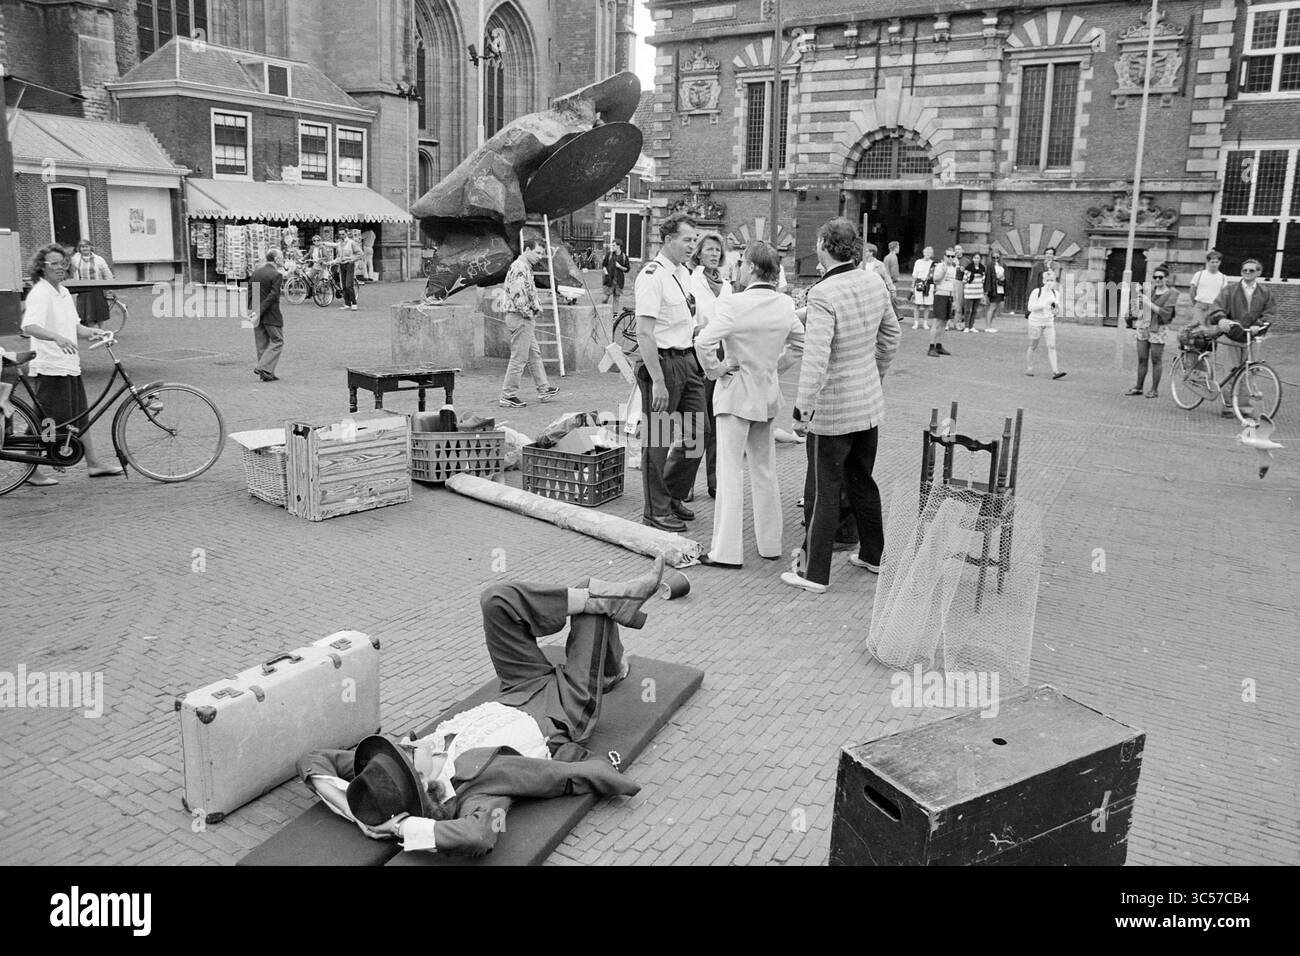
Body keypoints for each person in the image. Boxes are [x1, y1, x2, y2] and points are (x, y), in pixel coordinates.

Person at [298, 558, 665, 856]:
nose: (409, 742)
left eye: (401, 748)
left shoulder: (417, 754)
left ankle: (611, 630)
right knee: (591, 607)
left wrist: (355, 810)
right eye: (408, 755)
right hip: (564, 707)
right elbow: (476, 837)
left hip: (517, 686)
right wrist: (399, 827)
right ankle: (609, 660)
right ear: (423, 783)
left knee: (497, 599)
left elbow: (314, 760)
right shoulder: (474, 789)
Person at [783, 218, 900, 594]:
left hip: (833, 409)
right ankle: (874, 555)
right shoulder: (873, 281)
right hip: (867, 403)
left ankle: (812, 572)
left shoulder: (823, 293)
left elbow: (816, 358)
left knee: (824, 489)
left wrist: (803, 411)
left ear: (822, 245)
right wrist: (875, 374)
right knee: (862, 481)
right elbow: (891, 337)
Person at [694, 241, 804, 568]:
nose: (738, 267)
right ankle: (770, 544)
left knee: (730, 472)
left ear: (753, 268)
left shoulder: (733, 303)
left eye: (742, 263)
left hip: (735, 392)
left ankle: (726, 552)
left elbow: (703, 341)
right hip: (766, 394)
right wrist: (773, 368)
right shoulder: (785, 304)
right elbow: (799, 344)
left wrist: (715, 370)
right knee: (765, 470)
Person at [19, 244, 122, 486]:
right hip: (50, 366)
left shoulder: (63, 292)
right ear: (41, 268)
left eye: (63, 263)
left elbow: (75, 326)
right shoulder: (40, 293)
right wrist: (55, 337)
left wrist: (94, 332)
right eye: (53, 263)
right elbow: (29, 326)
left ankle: (94, 464)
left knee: (81, 416)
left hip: (69, 364)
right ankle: (31, 470)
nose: (60, 268)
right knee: (49, 420)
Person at [634, 213, 703, 533]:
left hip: (688, 361)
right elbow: (645, 333)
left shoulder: (683, 274)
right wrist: (658, 381)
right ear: (668, 240)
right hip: (662, 364)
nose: (693, 245)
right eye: (687, 239)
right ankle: (656, 510)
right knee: (658, 439)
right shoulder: (653, 275)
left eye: (694, 240)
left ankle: (673, 494)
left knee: (697, 434)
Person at [675, 231, 731, 501]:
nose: (714, 254)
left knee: (717, 422)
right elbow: (688, 319)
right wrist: (704, 330)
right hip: (698, 355)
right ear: (698, 253)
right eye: (709, 249)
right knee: (696, 423)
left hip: (723, 357)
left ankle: (714, 480)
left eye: (717, 250)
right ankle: (685, 483)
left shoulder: (727, 284)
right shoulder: (691, 281)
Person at [1206, 258, 1276, 417]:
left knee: (1249, 372)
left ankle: (1244, 408)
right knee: (1230, 371)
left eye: (1251, 270)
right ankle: (1228, 405)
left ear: (1258, 272)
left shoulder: (1265, 292)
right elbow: (1217, 306)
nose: (1247, 273)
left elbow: (1270, 312)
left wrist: (1259, 324)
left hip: (1252, 337)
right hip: (1233, 336)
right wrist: (1222, 319)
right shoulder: (1230, 290)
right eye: (1244, 270)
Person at [498, 238, 560, 408]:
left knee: (534, 354)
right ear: (527, 249)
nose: (540, 256)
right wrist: (529, 313)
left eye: (542, 253)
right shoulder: (520, 267)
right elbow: (519, 295)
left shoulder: (524, 267)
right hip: (520, 317)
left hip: (522, 317)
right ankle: (508, 395)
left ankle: (543, 388)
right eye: (538, 252)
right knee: (519, 358)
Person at [1126, 265, 1175, 398]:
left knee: (1156, 359)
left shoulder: (1171, 293)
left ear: (1166, 278)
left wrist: (1147, 302)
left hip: (1158, 328)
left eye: (1161, 277)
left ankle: (1154, 389)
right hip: (1143, 325)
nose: (1157, 279)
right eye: (1155, 277)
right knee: (1142, 358)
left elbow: (1166, 313)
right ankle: (1138, 387)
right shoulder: (1150, 291)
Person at [250, 250, 285, 383]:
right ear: (276, 258)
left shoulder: (257, 272)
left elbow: (251, 290)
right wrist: (260, 310)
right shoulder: (276, 274)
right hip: (270, 314)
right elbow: (273, 296)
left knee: (261, 343)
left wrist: (252, 310)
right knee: (277, 340)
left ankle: (266, 373)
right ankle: (263, 367)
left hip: (257, 313)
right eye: (281, 257)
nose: (283, 260)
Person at [1026, 271, 1067, 379]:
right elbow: (1030, 308)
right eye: (1047, 280)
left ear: (1055, 282)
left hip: (1048, 322)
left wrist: (1056, 309)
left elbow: (1055, 310)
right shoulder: (1037, 292)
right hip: (1035, 322)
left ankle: (1055, 371)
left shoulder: (1055, 294)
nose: (1050, 283)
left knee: (1052, 346)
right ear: (1043, 281)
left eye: (1052, 281)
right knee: (1033, 345)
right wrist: (1043, 305)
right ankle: (1029, 367)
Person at [68, 239, 114, 327]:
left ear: (90, 248)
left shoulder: (99, 259)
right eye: (82, 247)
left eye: (86, 246)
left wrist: (110, 286)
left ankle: (101, 330)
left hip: (97, 288)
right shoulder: (75, 259)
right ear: (79, 249)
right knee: (87, 313)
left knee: (99, 312)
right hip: (83, 289)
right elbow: (71, 271)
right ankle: (91, 331)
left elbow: (106, 272)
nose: (85, 249)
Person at [927, 248, 957, 357]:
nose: (950, 258)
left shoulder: (953, 268)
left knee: (944, 322)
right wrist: (943, 272)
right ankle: (931, 346)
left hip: (949, 295)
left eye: (952, 256)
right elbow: (936, 280)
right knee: (937, 322)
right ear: (944, 256)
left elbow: (954, 283)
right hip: (940, 295)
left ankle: (939, 345)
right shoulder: (940, 266)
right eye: (948, 256)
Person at [1189, 249, 1228, 327]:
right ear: (1208, 262)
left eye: (1216, 262)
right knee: (1196, 330)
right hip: (1200, 306)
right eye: (1212, 262)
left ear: (1220, 262)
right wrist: (1196, 303)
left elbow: (1223, 296)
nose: (1214, 264)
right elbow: (1192, 290)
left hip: (1214, 308)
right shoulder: (1199, 274)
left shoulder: (1223, 277)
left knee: (1211, 332)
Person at [910, 245, 936, 331]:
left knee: (927, 305)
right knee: (917, 304)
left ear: (931, 254)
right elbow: (914, 274)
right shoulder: (918, 262)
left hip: (929, 285)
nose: (928, 254)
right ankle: (916, 322)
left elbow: (934, 276)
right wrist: (912, 286)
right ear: (923, 253)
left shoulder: (933, 264)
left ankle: (925, 322)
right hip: (919, 284)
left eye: (930, 253)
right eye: (926, 252)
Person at [601, 238, 630, 312]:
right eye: (612, 245)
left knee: (616, 299)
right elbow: (604, 265)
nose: (612, 247)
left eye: (614, 245)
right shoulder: (609, 254)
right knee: (605, 298)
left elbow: (627, 269)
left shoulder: (624, 257)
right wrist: (606, 272)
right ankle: (602, 311)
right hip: (609, 280)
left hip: (619, 282)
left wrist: (619, 266)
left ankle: (615, 316)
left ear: (618, 246)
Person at [982, 250, 1006, 332]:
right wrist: (986, 291)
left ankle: (990, 325)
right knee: (992, 307)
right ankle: (988, 327)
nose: (996, 259)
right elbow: (988, 278)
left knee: (996, 308)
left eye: (997, 257)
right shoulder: (990, 265)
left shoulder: (1002, 265)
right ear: (991, 257)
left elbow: (1005, 277)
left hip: (1001, 288)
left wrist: (1003, 279)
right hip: (993, 289)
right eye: (994, 257)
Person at [961, 253, 986, 331]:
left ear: (980, 259)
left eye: (978, 258)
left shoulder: (983, 268)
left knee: (974, 310)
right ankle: (966, 326)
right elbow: (964, 280)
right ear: (972, 259)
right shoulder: (968, 268)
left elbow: (983, 280)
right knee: (968, 310)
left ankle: (971, 326)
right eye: (975, 258)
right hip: (969, 291)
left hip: (978, 291)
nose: (976, 259)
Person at [336, 229, 360, 311]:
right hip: (342, 265)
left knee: (348, 285)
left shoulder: (351, 242)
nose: (341, 236)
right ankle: (347, 303)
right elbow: (338, 255)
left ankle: (354, 303)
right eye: (340, 234)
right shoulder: (339, 244)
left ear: (346, 234)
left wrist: (351, 259)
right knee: (343, 285)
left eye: (343, 234)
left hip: (349, 265)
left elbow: (360, 253)